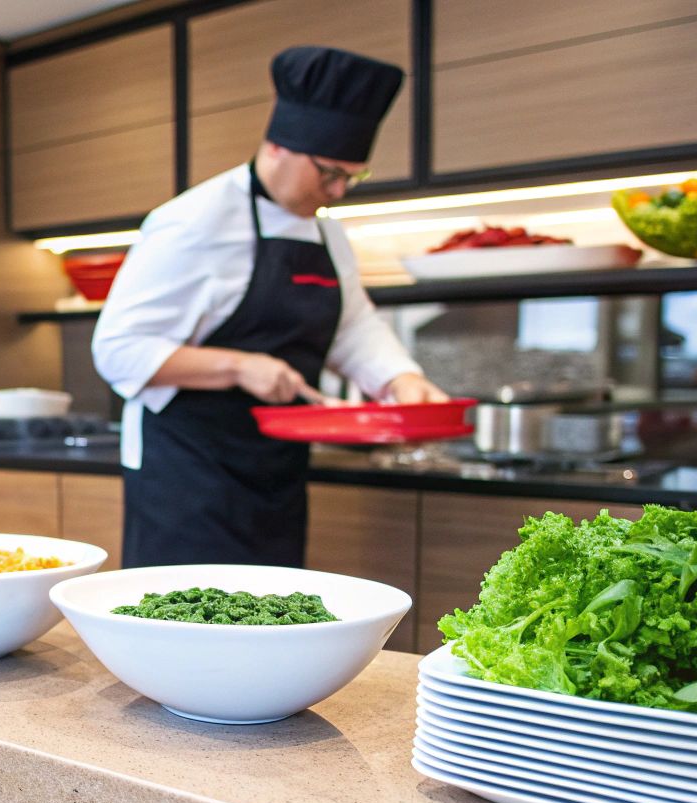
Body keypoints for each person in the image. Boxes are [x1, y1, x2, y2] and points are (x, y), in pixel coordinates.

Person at [92, 45, 448, 569]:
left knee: (274, 614)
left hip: (275, 470)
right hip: (190, 473)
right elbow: (118, 350)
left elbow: (352, 327)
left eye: (353, 176)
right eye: (329, 173)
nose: (339, 190)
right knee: (184, 621)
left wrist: (401, 381)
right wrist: (239, 366)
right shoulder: (194, 222)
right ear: (281, 146)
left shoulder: (327, 234)